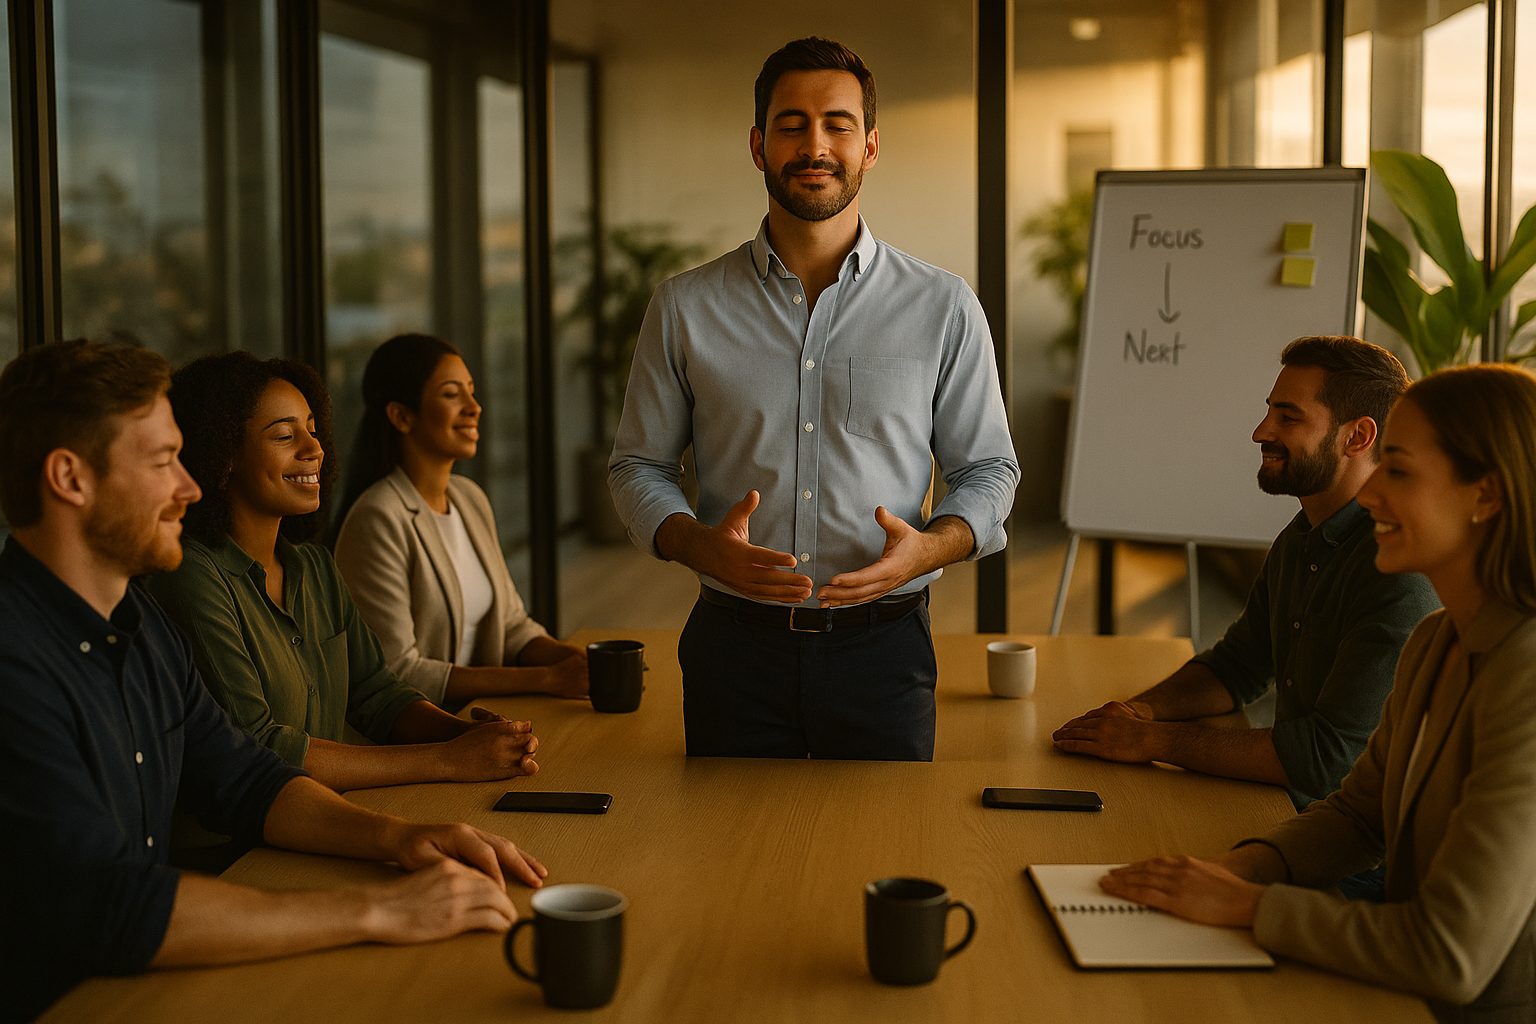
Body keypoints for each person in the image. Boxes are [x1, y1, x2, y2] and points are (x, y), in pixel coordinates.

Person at [0, 340, 547, 1022]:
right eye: (164, 461)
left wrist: (399, 839)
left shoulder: (136, 619)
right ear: (70, 478)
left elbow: (244, 776)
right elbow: (113, 908)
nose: (190, 487)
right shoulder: (14, 659)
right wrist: (376, 909)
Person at [607, 37, 1018, 762]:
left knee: (887, 861)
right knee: (729, 863)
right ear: (759, 145)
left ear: (870, 146)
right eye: (792, 125)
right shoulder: (684, 307)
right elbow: (637, 465)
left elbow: (989, 469)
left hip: (884, 653)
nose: (815, 144)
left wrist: (928, 551)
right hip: (733, 652)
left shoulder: (943, 306)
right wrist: (692, 540)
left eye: (838, 124)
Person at [1100, 364, 1536, 1023]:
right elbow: (1362, 815)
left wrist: (1247, 906)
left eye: (1400, 471)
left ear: (1487, 496)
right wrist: (1240, 869)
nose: (1369, 496)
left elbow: (1451, 954)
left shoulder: (1525, 678)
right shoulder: (1436, 641)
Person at [1053, 337, 1439, 815]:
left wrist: (1155, 741)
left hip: (1356, 856)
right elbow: (1238, 666)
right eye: (1269, 412)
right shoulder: (1302, 538)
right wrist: (1139, 712)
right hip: (1296, 815)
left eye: (1288, 417)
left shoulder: (1398, 570)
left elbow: (1326, 759)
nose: (1261, 431)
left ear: (1357, 437)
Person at [146, 352, 540, 792]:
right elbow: (261, 747)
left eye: (312, 430)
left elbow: (377, 692)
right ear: (222, 454)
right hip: (244, 852)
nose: (314, 448)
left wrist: (463, 734)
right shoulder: (193, 576)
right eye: (284, 435)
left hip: (331, 821)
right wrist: (445, 758)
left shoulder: (313, 567)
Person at [332, 333, 587, 709]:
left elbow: (512, 625)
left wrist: (576, 661)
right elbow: (397, 672)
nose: (474, 407)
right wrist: (546, 679)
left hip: (484, 718)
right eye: (452, 394)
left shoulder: (469, 499)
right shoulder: (378, 518)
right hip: (423, 739)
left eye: (471, 391)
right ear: (401, 415)